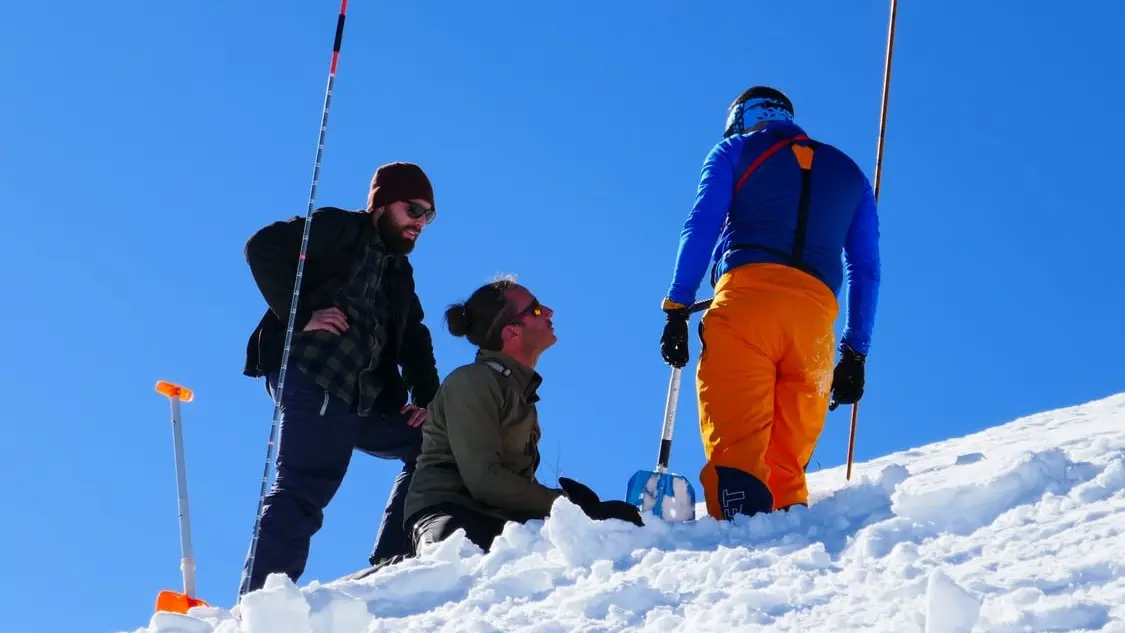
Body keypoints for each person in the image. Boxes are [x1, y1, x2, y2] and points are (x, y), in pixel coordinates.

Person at [659, 86, 880, 522]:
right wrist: (855, 352)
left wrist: (676, 306)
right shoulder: (851, 174)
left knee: (738, 459)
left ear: (741, 119)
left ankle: (739, 563)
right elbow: (866, 269)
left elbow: (701, 225)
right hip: (815, 326)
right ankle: (786, 563)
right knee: (786, 473)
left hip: (747, 305)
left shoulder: (734, 151)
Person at [239, 161, 442, 594]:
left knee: (433, 444)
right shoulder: (340, 229)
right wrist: (301, 314)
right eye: (413, 210)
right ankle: (261, 604)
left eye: (429, 215)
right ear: (382, 205)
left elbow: (415, 338)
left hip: (363, 399)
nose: (421, 223)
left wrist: (430, 402)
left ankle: (395, 557)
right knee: (304, 486)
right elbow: (263, 246)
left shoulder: (398, 273)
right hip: (318, 375)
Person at [401, 277, 643, 555]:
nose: (549, 312)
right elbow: (485, 481)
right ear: (512, 333)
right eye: (537, 310)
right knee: (456, 565)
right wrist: (569, 505)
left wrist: (587, 512)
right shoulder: (471, 382)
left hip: (502, 517)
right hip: (452, 510)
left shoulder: (515, 390)